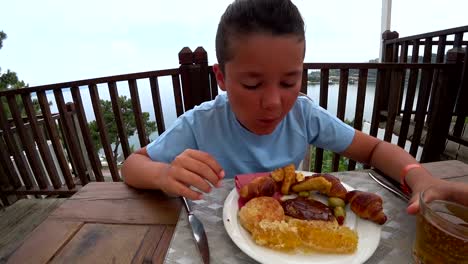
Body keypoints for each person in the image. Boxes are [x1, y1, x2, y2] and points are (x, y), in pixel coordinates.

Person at [121, 0, 466, 214]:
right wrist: (165, 175)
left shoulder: (303, 115)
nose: (274, 102)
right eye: (253, 84)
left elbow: (374, 148)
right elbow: (132, 166)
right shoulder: (201, 123)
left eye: (289, 82)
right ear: (222, 77)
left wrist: (419, 178)